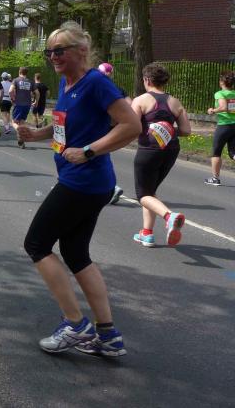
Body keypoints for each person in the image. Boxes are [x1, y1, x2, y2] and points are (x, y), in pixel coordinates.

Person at [18, 21, 140, 357]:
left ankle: (75, 324)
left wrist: (88, 151)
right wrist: (36, 134)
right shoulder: (66, 82)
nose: (53, 56)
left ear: (82, 50)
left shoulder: (96, 83)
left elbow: (132, 125)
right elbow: (64, 126)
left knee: (36, 244)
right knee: (75, 254)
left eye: (60, 50)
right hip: (85, 181)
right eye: (49, 51)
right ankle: (108, 335)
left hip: (83, 181)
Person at [130, 63, 191, 247]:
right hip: (171, 150)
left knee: (143, 194)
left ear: (147, 80)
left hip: (149, 150)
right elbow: (186, 130)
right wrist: (167, 129)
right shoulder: (175, 102)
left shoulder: (141, 100)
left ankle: (169, 216)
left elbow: (132, 127)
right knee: (150, 190)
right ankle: (147, 233)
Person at [98, 63, 131, 204]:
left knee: (94, 156)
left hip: (99, 126)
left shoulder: (98, 87)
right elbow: (130, 104)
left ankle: (113, 188)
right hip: (113, 128)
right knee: (100, 155)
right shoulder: (118, 89)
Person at [204, 71, 235, 186]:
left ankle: (215, 179)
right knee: (233, 153)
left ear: (222, 82)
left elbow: (223, 107)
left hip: (224, 126)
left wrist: (213, 110)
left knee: (216, 152)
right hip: (234, 126)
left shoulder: (220, 94)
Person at [9, 67, 34, 148]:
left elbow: (10, 90)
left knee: (14, 122)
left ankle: (20, 132)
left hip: (18, 103)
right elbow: (37, 92)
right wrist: (36, 101)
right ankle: (21, 141)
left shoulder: (16, 80)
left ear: (19, 72)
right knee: (22, 122)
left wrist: (12, 98)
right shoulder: (30, 81)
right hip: (27, 104)